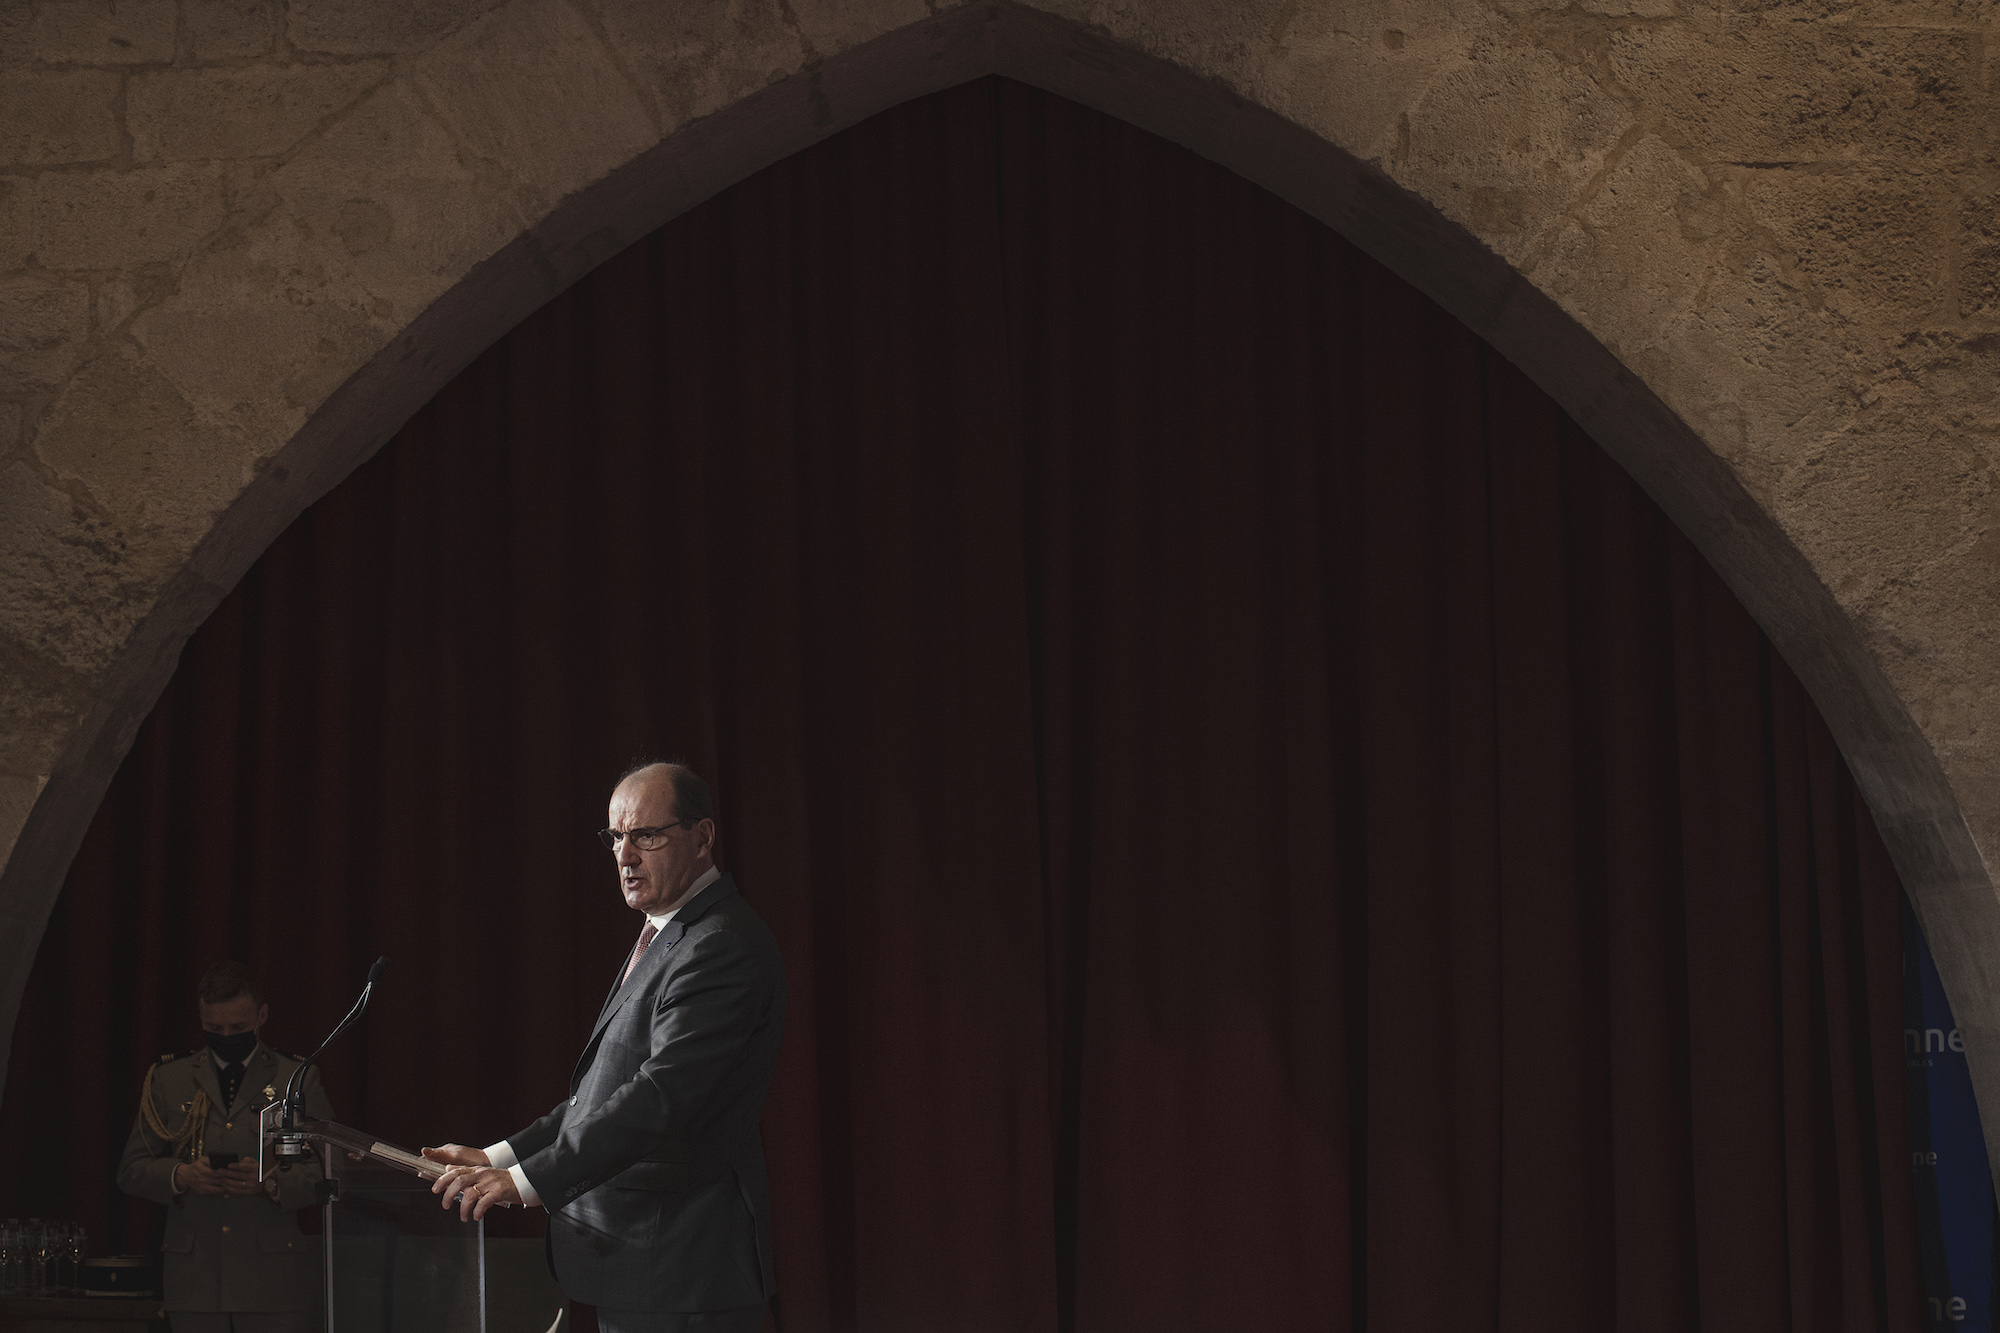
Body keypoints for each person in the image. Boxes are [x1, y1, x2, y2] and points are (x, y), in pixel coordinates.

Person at [425, 760, 787, 1333]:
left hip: (683, 1267)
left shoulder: (721, 944)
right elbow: (601, 1093)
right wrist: (499, 1157)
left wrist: (527, 1181)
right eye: (616, 837)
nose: (625, 856)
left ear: (702, 837)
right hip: (644, 1266)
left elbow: (658, 1095)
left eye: (646, 835)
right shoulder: (668, 934)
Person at [117, 961, 334, 1333]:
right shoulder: (170, 1079)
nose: (227, 1035)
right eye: (215, 1028)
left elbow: (330, 1174)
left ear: (262, 1015)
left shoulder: (294, 1078)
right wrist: (181, 1175)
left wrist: (269, 1182)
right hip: (195, 1279)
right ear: (201, 1017)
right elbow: (131, 1170)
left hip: (271, 1281)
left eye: (238, 1026)